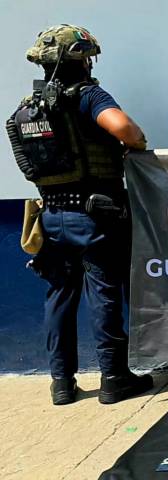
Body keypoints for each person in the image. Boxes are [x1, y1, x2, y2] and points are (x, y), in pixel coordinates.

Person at [7, 24, 153, 404]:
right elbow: (124, 128)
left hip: (51, 217)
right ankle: (114, 378)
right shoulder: (88, 95)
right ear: (83, 60)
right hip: (93, 217)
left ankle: (61, 383)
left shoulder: (27, 109)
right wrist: (136, 143)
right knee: (103, 293)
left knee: (59, 295)